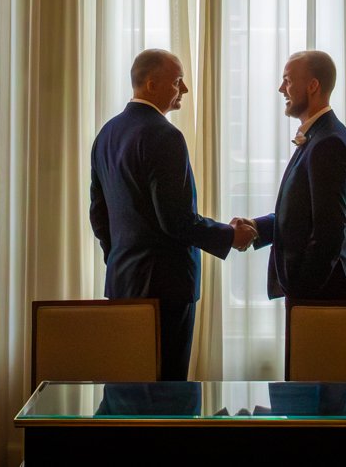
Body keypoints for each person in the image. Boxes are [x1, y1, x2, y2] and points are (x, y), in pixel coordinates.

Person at [90, 48, 256, 381]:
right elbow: (177, 220)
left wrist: (121, 260)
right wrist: (230, 235)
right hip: (166, 290)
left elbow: (99, 214)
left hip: (123, 284)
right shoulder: (164, 135)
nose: (185, 90)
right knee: (166, 388)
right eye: (178, 81)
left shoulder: (106, 134)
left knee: (130, 385)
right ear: (151, 84)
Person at [233, 50, 346, 301]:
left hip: (322, 295)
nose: (282, 88)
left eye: (288, 80)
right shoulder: (320, 137)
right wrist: (258, 227)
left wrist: (302, 291)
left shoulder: (329, 142)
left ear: (313, 86)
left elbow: (329, 231)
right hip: (317, 292)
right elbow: (304, 215)